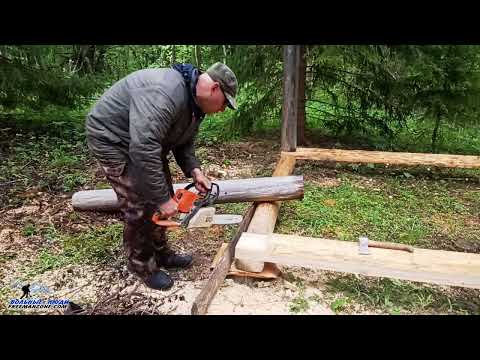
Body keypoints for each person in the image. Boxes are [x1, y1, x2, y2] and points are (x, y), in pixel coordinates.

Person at [85, 62, 238, 290]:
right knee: (140, 204)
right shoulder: (164, 92)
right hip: (113, 140)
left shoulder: (194, 105)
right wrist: (161, 199)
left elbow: (183, 142)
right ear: (214, 88)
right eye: (225, 102)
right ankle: (142, 265)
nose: (223, 109)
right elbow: (143, 148)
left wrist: (195, 171)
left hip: (141, 143)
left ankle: (161, 253)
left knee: (163, 193)